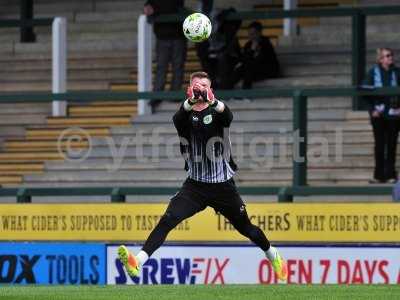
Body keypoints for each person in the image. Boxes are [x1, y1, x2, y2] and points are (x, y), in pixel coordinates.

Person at [117, 71, 288, 281]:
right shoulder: (185, 116)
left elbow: (228, 116)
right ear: (189, 89)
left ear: (211, 89)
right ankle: (138, 262)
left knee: (247, 229)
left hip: (222, 186)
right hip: (195, 187)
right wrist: (191, 101)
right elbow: (177, 118)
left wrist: (212, 100)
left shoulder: (217, 113)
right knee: (168, 219)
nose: (200, 90)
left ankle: (273, 255)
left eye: (204, 86)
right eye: (196, 86)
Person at [364, 48, 400, 184]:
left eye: (391, 55)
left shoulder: (397, 72)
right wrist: (371, 109)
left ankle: (391, 174)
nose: (391, 57)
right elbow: (364, 92)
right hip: (378, 115)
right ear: (380, 59)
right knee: (379, 145)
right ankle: (378, 175)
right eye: (388, 55)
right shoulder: (373, 72)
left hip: (393, 115)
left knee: (391, 145)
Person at [143, 0, 187, 111]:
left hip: (176, 35)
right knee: (162, 67)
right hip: (164, 36)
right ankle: (158, 95)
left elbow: (172, 7)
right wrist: (148, 6)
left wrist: (154, 9)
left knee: (176, 66)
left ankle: (174, 94)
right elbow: (150, 7)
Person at [195, 8, 242, 89]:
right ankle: (214, 89)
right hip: (210, 58)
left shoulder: (227, 29)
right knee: (207, 63)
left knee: (223, 60)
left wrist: (224, 14)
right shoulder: (202, 34)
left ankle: (225, 89)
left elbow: (235, 17)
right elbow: (201, 52)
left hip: (225, 56)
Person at [232, 21, 280, 89]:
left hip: (267, 70)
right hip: (252, 69)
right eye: (250, 34)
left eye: (254, 34)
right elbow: (245, 59)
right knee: (239, 69)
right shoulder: (248, 45)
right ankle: (228, 91)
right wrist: (251, 51)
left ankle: (245, 92)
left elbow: (262, 61)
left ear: (259, 33)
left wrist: (253, 50)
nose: (252, 36)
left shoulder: (266, 44)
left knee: (249, 67)